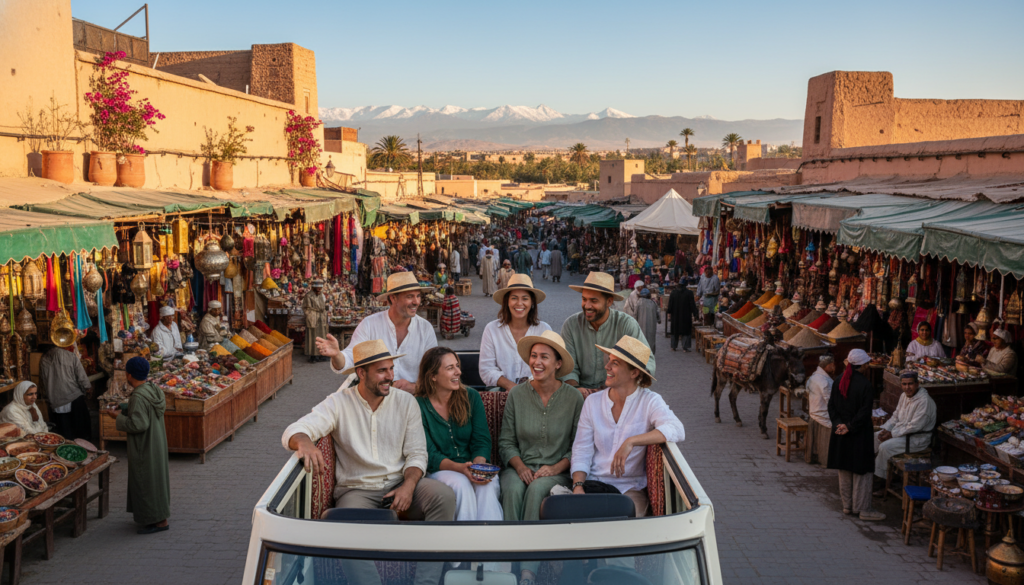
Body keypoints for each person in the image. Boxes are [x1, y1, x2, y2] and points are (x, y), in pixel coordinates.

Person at [283, 340, 455, 585]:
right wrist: (304, 442)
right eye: (382, 371)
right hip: (357, 491)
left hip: (400, 484)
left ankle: (425, 583)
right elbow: (298, 428)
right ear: (361, 373)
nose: (390, 376)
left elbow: (418, 454)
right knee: (343, 522)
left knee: (444, 495)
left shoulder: (406, 402)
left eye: (391, 369)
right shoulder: (338, 402)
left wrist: (408, 485)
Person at [499, 331, 583, 584]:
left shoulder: (574, 398)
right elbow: (506, 442)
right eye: (533, 356)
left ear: (558, 364)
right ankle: (506, 564)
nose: (537, 362)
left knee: (536, 490)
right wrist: (520, 466)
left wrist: (556, 466)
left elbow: (578, 446)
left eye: (544, 357)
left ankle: (527, 571)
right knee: (513, 488)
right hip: (519, 466)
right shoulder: (516, 394)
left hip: (557, 471)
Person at [571, 335, 684, 517]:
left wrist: (631, 441)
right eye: (609, 361)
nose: (607, 367)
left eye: (615, 363)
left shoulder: (649, 401)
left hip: (630, 489)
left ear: (634, 373)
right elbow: (581, 449)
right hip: (594, 484)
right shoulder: (592, 402)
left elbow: (677, 429)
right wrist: (578, 487)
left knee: (630, 528)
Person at [415, 347, 500, 522]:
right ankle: (464, 542)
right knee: (460, 484)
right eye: (450, 368)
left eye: (457, 366)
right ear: (433, 376)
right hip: (440, 471)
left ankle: (491, 541)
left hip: (471, 465)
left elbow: (482, 440)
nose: (458, 372)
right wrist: (460, 468)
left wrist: (477, 468)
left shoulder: (471, 397)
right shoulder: (418, 405)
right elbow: (429, 454)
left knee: (486, 485)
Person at [316, 272, 437, 392]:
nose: (416, 302)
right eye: (410, 296)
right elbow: (351, 358)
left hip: (414, 398)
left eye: (418, 296)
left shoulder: (425, 329)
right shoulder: (369, 325)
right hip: (377, 398)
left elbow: (434, 371)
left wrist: (413, 388)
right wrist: (337, 355)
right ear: (393, 298)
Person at [107, 357, 170, 534]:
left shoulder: (139, 395)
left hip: (144, 446)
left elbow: (138, 424)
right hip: (156, 443)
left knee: (146, 480)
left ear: (129, 374)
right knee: (156, 481)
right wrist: (124, 407)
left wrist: (117, 417)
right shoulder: (153, 389)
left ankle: (156, 521)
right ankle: (159, 517)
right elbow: (144, 410)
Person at [561, 272, 656, 390]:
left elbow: (647, 364)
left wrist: (609, 392)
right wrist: (576, 390)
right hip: (579, 395)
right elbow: (568, 368)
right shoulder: (571, 325)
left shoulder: (626, 324)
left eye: (594, 301)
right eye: (584, 299)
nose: (587, 305)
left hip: (617, 392)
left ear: (609, 302)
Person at [827, 349, 884, 521]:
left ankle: (847, 506)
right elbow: (865, 412)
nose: (868, 366)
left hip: (841, 433)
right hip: (858, 434)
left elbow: (832, 407)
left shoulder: (838, 381)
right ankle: (863, 508)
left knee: (844, 468)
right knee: (862, 471)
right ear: (863, 365)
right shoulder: (865, 385)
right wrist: (850, 427)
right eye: (867, 363)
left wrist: (839, 425)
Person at [480, 274, 552, 391]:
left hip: (536, 392)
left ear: (532, 302)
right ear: (507, 301)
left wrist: (528, 387)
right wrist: (511, 387)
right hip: (502, 392)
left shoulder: (544, 330)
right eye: (514, 298)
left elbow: (549, 367)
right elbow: (486, 370)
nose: (519, 303)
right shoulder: (491, 329)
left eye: (525, 298)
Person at [873, 370, 936, 491]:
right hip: (902, 434)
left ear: (917, 384)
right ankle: (877, 472)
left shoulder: (924, 401)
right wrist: (885, 429)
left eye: (910, 384)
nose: (907, 387)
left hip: (917, 439)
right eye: (904, 384)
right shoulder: (904, 396)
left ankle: (881, 482)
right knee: (874, 437)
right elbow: (896, 417)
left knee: (885, 447)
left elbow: (914, 427)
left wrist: (891, 434)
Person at [39, 344, 92, 440]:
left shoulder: (44, 358)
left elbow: (43, 380)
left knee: (64, 432)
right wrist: (87, 388)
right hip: (73, 396)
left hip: (56, 400)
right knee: (80, 431)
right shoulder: (70, 356)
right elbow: (82, 378)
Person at [805, 355, 836, 467]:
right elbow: (830, 401)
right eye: (832, 366)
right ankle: (826, 459)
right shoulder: (825, 381)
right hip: (822, 413)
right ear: (828, 366)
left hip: (813, 411)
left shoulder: (813, 377)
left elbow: (807, 391)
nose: (834, 368)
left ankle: (813, 455)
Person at [667, 278, 698, 352]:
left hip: (675, 316)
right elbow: (692, 305)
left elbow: (670, 305)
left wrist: (669, 314)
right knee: (686, 331)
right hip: (686, 316)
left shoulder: (673, 293)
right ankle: (685, 347)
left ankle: (673, 347)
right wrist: (695, 314)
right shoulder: (689, 293)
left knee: (675, 331)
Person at [303, 280, 328, 363]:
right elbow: (306, 308)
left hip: (321, 317)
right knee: (313, 337)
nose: (319, 289)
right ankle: (313, 355)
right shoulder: (308, 296)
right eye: (317, 288)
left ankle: (322, 354)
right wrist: (311, 315)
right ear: (314, 288)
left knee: (322, 335)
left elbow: (324, 305)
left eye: (320, 288)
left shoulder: (321, 295)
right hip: (313, 318)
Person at [634, 288, 660, 354]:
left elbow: (635, 315)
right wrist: (659, 320)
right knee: (651, 341)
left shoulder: (638, 303)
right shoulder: (654, 303)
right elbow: (658, 315)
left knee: (641, 340)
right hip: (652, 327)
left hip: (640, 326)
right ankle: (650, 354)